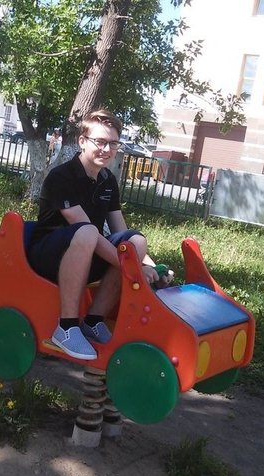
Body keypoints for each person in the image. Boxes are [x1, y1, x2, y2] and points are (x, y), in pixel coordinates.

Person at [26, 109, 171, 360]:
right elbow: (85, 230)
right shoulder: (61, 177)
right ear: (82, 141)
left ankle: (93, 321)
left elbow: (120, 232)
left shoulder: (107, 180)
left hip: (86, 251)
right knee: (88, 231)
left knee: (134, 240)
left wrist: (149, 265)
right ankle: (67, 327)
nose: (106, 149)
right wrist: (134, 269)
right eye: (100, 142)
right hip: (48, 256)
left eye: (113, 143)